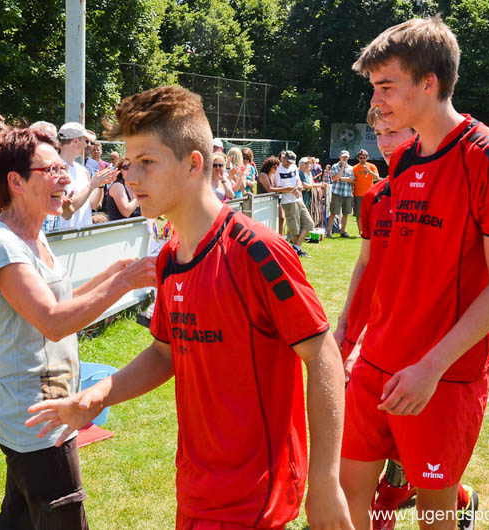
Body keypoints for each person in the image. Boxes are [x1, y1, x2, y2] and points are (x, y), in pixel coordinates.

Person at [26, 86, 353, 530]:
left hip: (255, 496)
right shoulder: (169, 258)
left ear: (194, 163)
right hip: (196, 488)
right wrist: (95, 397)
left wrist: (327, 481)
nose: (131, 178)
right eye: (129, 163)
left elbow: (322, 353)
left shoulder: (257, 249)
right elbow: (165, 353)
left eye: (147, 162)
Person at [341, 16, 489, 530]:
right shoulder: (402, 161)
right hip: (375, 364)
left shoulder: (488, 155)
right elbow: (390, 270)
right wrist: (357, 339)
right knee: (347, 495)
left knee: (435, 515)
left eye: (386, 86)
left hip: (442, 375)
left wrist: (431, 366)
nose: (376, 102)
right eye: (374, 87)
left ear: (429, 82)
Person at [0, 127, 155, 530]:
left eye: (63, 168)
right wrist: (124, 283)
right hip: (37, 413)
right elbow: (54, 322)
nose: (65, 179)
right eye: (51, 170)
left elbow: (57, 303)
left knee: (20, 519)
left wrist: (112, 277)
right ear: (16, 181)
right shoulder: (3, 244)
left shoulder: (33, 235)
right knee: (63, 518)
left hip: (49, 402)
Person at [56, 122, 115, 231]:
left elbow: (93, 204)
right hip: (64, 235)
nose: (87, 145)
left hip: (84, 234)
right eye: (85, 141)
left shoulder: (82, 170)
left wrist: (100, 184)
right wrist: (92, 185)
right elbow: (68, 209)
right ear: (75, 141)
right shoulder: (55, 169)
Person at [275, 150, 313, 257]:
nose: (289, 164)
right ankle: (297, 250)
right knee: (294, 229)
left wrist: (299, 186)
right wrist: (292, 190)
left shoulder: (293, 167)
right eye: (287, 161)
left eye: (291, 162)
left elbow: (297, 180)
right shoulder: (278, 169)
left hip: (298, 199)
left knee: (309, 224)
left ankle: (296, 248)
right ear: (283, 158)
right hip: (288, 201)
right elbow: (278, 187)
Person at [351, 148, 379, 236]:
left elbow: (377, 178)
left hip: (370, 194)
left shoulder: (372, 166)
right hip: (358, 194)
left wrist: (369, 171)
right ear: (358, 158)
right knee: (359, 215)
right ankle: (361, 232)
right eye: (361, 158)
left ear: (367, 158)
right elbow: (352, 181)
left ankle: (370, 231)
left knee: (370, 214)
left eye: (364, 158)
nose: (362, 159)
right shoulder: (354, 168)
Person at [328, 150, 354, 238]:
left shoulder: (350, 168)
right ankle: (329, 232)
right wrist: (342, 168)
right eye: (343, 157)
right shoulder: (335, 166)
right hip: (337, 192)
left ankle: (342, 232)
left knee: (346, 213)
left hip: (347, 193)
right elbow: (335, 178)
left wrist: (340, 179)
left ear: (348, 158)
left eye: (346, 157)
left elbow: (352, 179)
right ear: (340, 157)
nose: (344, 158)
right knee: (333, 212)